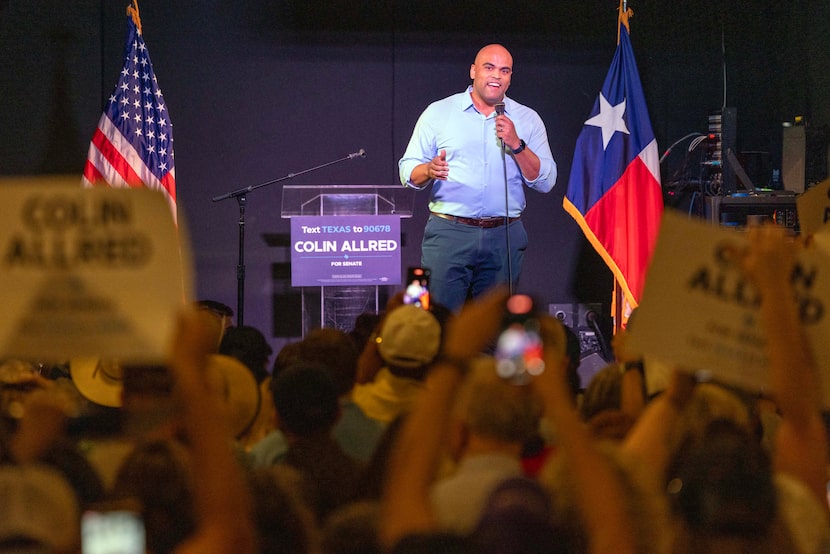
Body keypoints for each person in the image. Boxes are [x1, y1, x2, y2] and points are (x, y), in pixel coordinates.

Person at [398, 44, 557, 311]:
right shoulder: (438, 112)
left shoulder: (527, 119)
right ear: (473, 71)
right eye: (489, 67)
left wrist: (517, 144)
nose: (496, 75)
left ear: (510, 77)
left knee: (493, 329)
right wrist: (428, 169)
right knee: (436, 320)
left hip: (504, 235)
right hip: (449, 233)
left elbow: (546, 181)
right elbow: (407, 169)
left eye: (504, 70)